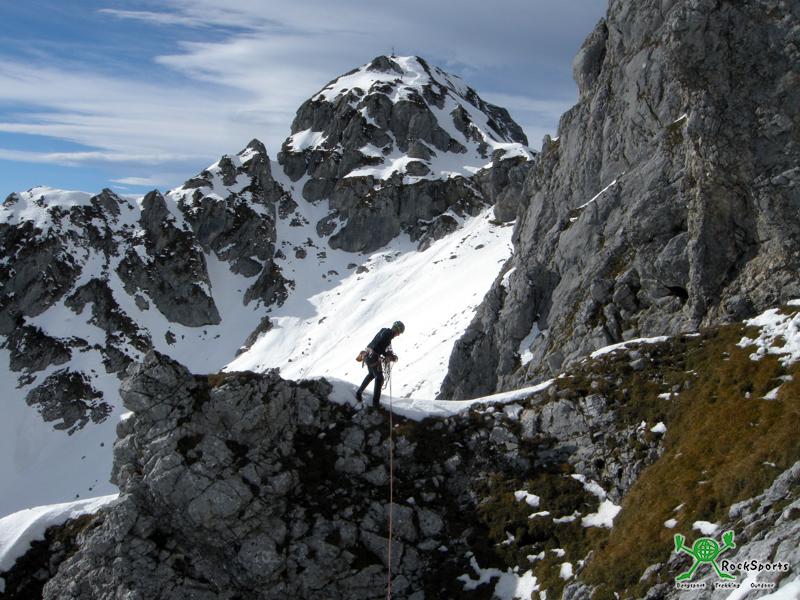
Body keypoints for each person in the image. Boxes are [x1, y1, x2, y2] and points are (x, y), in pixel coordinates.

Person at [356, 321, 405, 407]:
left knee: (371, 374)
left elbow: (377, 344)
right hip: (373, 357)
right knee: (379, 378)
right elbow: (378, 347)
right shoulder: (389, 334)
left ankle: (359, 393)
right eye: (399, 332)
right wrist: (387, 355)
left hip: (367, 355)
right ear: (397, 330)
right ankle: (375, 403)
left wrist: (386, 354)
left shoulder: (383, 330)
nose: (398, 335)